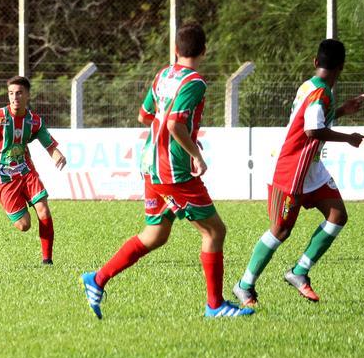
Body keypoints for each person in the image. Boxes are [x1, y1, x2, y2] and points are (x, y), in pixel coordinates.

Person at [80, 21, 254, 319]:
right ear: (204, 50)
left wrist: (164, 135)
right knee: (214, 230)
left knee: (156, 234)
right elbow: (175, 123)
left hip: (150, 163)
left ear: (175, 49)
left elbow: (144, 115)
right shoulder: (195, 82)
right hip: (173, 171)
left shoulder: (164, 74)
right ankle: (215, 305)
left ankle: (96, 279)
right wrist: (195, 155)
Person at [233, 39, 364, 305]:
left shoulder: (310, 85)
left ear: (315, 62)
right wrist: (349, 138)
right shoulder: (321, 93)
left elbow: (313, 121)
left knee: (337, 215)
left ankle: (299, 271)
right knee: (280, 230)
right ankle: (244, 285)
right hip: (291, 168)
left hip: (311, 169)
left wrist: (341, 110)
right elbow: (311, 130)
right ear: (341, 67)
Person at [0, 76, 66, 265]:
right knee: (24, 225)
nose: (15, 97)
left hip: (25, 171)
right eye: (11, 93)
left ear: (28, 95)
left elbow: (49, 143)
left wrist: (57, 155)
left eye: (19, 93)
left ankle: (47, 260)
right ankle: (12, 205)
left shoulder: (34, 121)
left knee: (44, 210)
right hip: (2, 175)